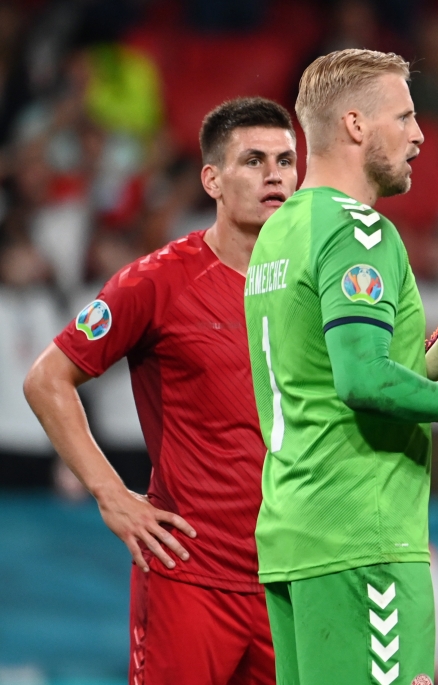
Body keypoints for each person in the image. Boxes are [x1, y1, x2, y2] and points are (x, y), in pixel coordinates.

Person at [242, 49, 438, 685]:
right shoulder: (360, 232)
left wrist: (433, 362)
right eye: (403, 116)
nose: (419, 133)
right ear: (354, 124)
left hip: (294, 535)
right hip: (362, 539)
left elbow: (325, 375)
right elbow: (364, 381)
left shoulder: (281, 228)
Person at [22, 97, 299, 684]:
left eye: (285, 160)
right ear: (212, 180)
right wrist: (110, 494)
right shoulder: (157, 281)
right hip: (190, 576)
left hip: (292, 576)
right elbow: (47, 380)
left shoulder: (314, 285)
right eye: (253, 160)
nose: (274, 174)